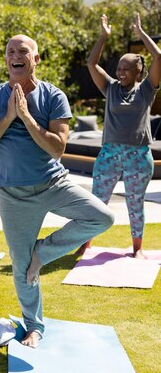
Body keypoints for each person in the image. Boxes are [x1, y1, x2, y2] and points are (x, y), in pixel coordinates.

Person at [0, 34, 114, 348]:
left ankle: (42, 253)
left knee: (102, 217)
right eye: (10, 51)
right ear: (6, 60)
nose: (15, 56)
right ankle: (34, 326)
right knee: (22, 272)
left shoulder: (53, 96)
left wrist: (25, 116)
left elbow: (57, 148)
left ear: (35, 59)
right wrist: (9, 116)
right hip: (12, 193)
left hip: (54, 184)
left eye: (23, 51)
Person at [78, 13, 161, 259]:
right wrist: (103, 36)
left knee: (135, 204)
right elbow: (91, 64)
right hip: (110, 153)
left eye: (126, 69)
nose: (121, 72)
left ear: (138, 71)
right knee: (97, 201)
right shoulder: (110, 88)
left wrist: (141, 33)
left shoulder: (147, 89)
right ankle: (86, 244)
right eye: (118, 68)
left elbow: (158, 57)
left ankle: (137, 249)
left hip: (138, 155)